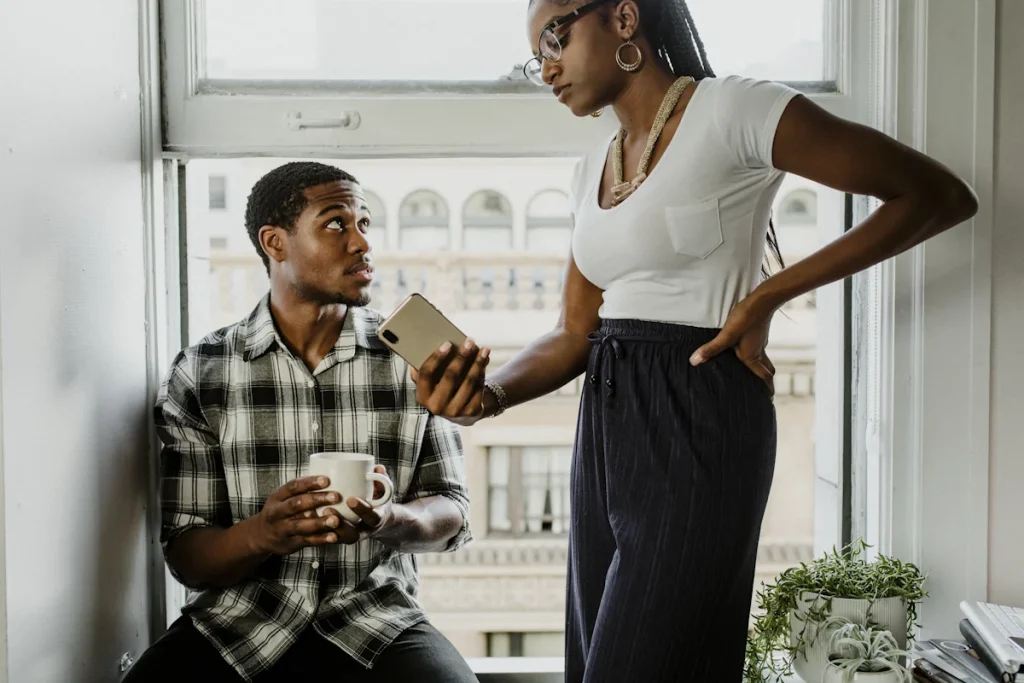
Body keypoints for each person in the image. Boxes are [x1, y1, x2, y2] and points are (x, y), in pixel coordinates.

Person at [412, 1, 979, 681]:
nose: (548, 67)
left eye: (555, 38)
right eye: (536, 57)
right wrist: (491, 393)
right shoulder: (590, 167)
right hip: (607, 422)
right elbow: (574, 332)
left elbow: (935, 195)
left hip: (701, 407)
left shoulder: (735, 110)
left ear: (624, 19)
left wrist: (768, 294)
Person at [126, 162, 481, 683]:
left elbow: (452, 511)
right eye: (337, 224)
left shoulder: (415, 356)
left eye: (365, 224)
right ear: (275, 243)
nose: (362, 243)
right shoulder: (202, 371)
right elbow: (187, 556)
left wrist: (388, 520)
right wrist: (263, 534)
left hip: (377, 619)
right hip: (239, 621)